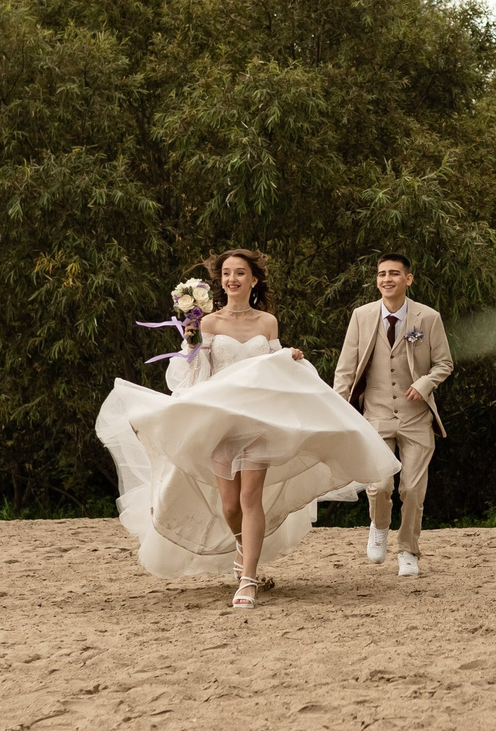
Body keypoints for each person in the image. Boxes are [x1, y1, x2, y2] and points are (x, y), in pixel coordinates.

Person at [95, 250, 400, 610]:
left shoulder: (267, 322)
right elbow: (194, 376)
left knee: (250, 498)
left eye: (240, 272)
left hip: (259, 424)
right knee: (229, 505)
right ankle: (242, 547)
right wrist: (191, 343)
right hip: (222, 423)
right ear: (219, 281)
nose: (232, 279)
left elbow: (272, 368)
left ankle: (248, 578)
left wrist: (291, 357)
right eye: (226, 273)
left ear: (253, 280)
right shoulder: (207, 323)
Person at [330, 253, 454, 577]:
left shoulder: (428, 318)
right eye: (382, 273)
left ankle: (409, 551)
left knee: (412, 489)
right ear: (377, 279)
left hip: (416, 419)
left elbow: (445, 363)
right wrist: (339, 410)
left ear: (408, 279)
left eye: (395, 273)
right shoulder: (361, 316)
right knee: (379, 485)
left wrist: (425, 383)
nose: (387, 278)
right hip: (376, 415)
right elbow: (345, 368)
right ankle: (379, 525)